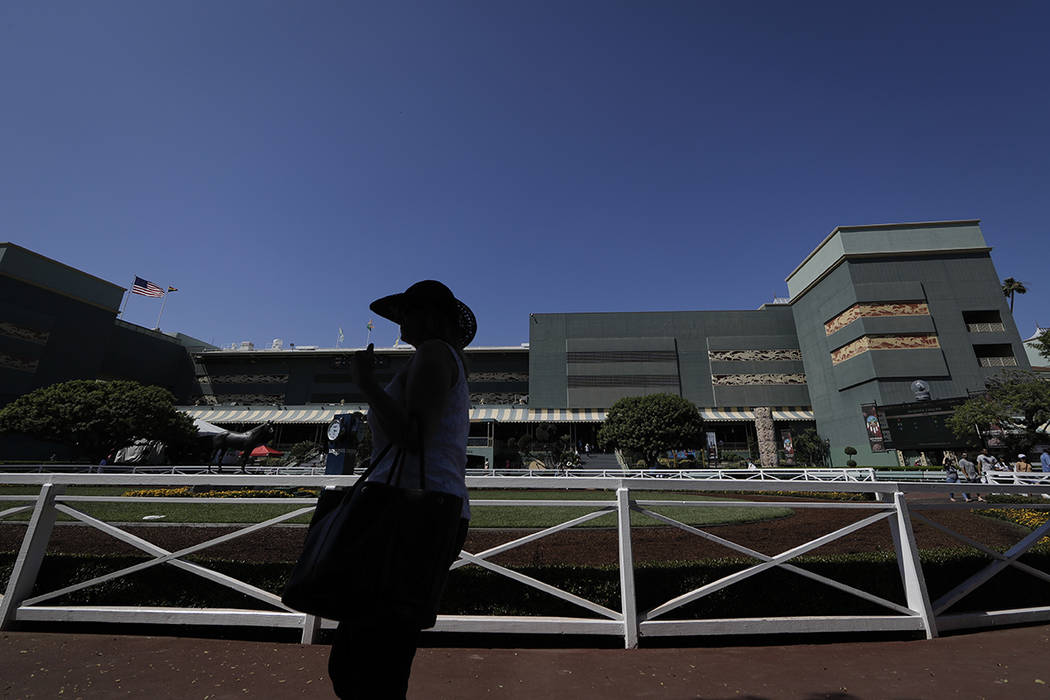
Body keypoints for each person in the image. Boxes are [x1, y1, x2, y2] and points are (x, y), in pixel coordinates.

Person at [328, 280, 475, 700]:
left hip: (409, 511)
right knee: (381, 654)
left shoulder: (432, 354)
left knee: (366, 660)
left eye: (407, 313)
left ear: (427, 317)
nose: (400, 323)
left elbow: (413, 437)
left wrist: (367, 385)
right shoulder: (446, 358)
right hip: (428, 506)